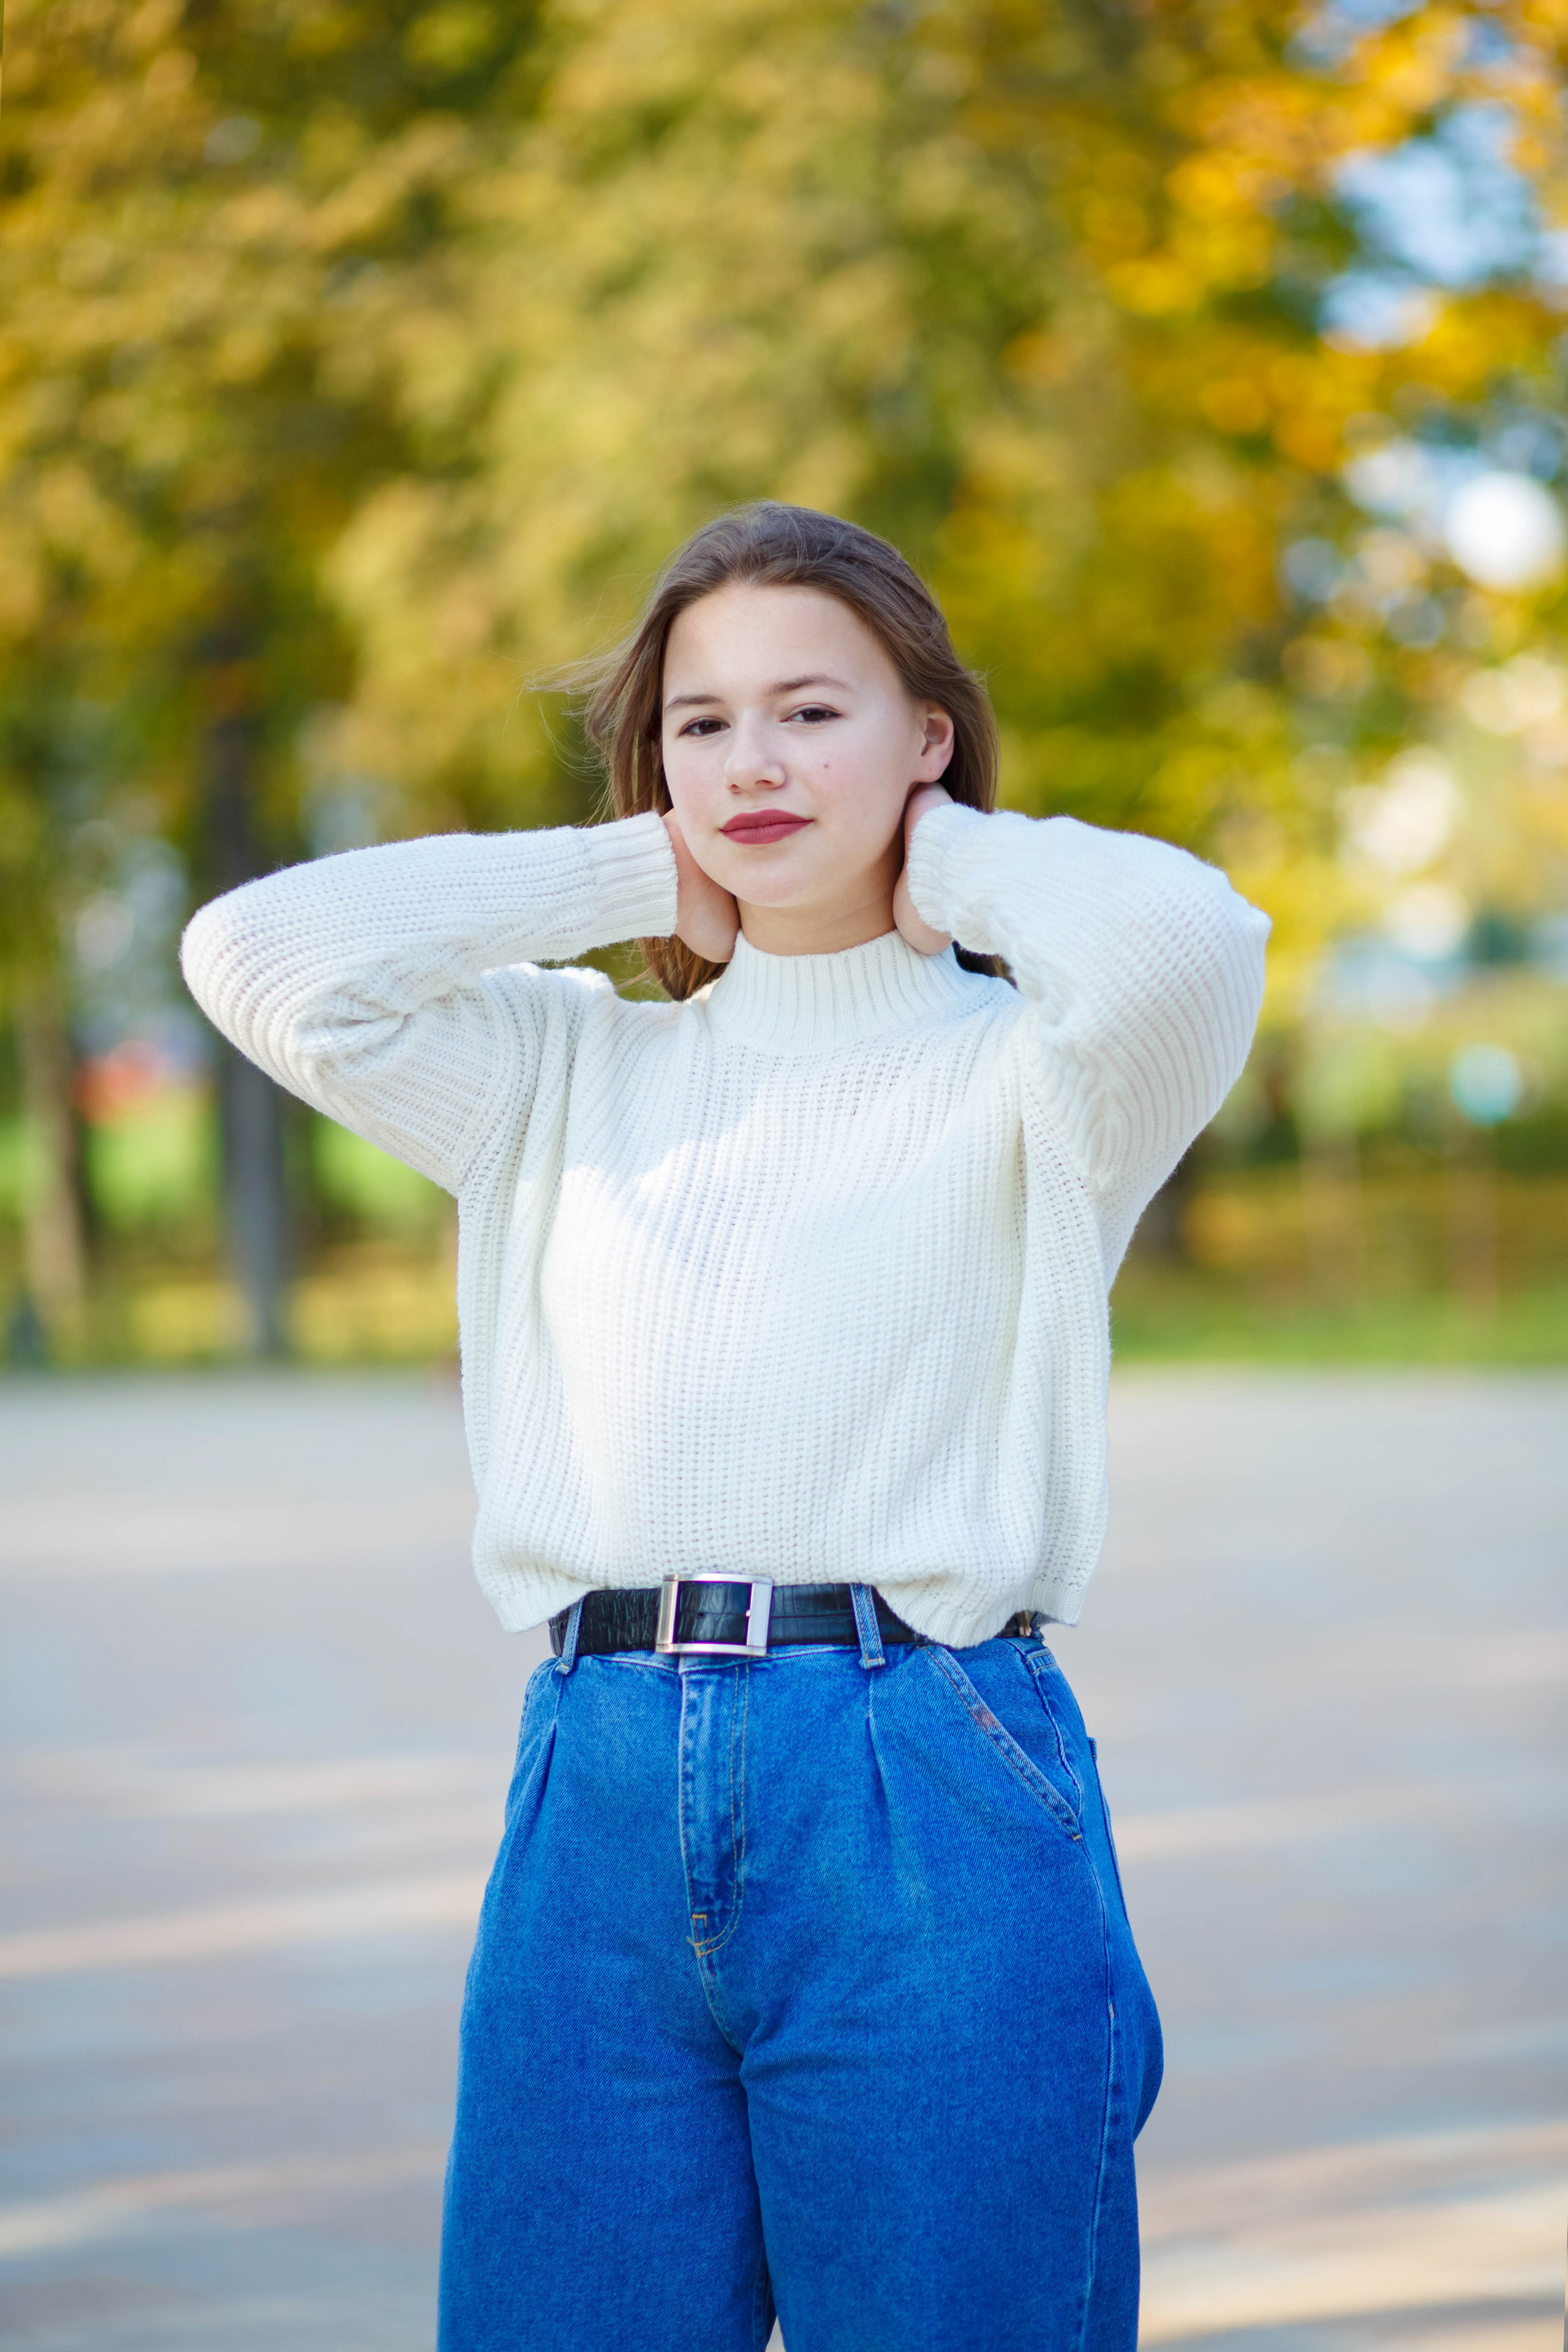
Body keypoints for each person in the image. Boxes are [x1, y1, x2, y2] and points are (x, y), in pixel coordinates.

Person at [181, 502, 1268, 2352]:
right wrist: (624, 881)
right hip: (593, 1788)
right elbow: (259, 957)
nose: (752, 762)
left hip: (920, 1774)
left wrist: (960, 864)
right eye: (701, 722)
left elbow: (1189, 936)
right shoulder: (555, 1069)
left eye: (813, 712)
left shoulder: (1034, 1072)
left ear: (927, 735)